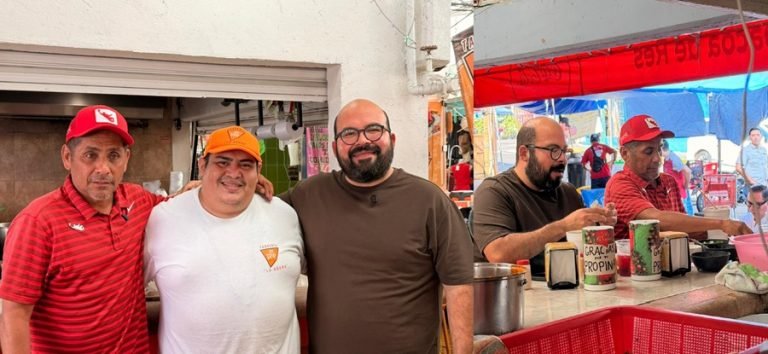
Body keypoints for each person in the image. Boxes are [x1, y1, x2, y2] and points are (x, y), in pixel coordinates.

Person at [280, 99, 473, 354]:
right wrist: (253, 182)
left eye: (373, 130)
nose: (362, 141)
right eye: (349, 134)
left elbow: (459, 287)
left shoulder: (429, 201)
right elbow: (256, 210)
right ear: (334, 147)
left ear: (391, 139)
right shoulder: (308, 195)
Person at [0, 105, 164, 352]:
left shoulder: (137, 200)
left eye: (113, 156)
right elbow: (13, 316)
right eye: (90, 155)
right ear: (67, 157)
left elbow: (180, 210)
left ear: (126, 159)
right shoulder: (38, 222)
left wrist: (200, 190)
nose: (103, 169)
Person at [144, 126, 303, 353]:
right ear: (202, 165)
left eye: (245, 165)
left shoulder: (284, 215)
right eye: (222, 162)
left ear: (258, 170)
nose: (234, 173)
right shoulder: (163, 218)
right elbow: (128, 290)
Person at [472, 117, 616, 277]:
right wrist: (564, 227)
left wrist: (599, 224)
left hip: (569, 287)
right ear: (524, 153)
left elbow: (585, 254)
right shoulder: (494, 192)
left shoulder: (569, 193)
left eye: (564, 151)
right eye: (553, 150)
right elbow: (498, 254)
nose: (562, 159)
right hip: (515, 290)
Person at [605, 114, 751, 240]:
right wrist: (721, 224)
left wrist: (724, 231)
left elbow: (683, 228)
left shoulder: (668, 181)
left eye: (659, 149)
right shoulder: (620, 184)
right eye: (648, 151)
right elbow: (657, 220)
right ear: (625, 154)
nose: (657, 158)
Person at [661, 139, 693, 214]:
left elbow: (687, 171)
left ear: (661, 149)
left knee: (683, 216)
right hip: (673, 193)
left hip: (680, 193)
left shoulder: (673, 158)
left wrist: (686, 185)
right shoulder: (667, 158)